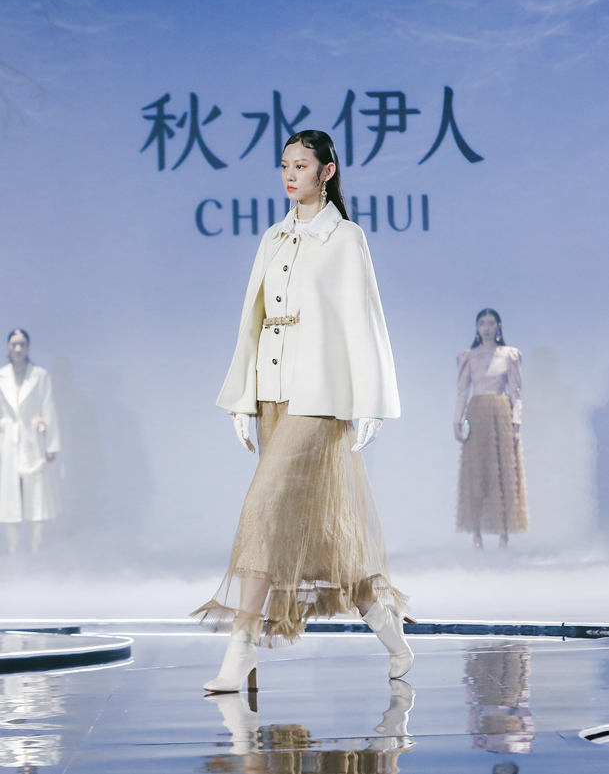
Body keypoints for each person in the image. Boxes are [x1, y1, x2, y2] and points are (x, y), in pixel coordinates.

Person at [192, 129, 414, 692]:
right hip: (273, 392)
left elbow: (363, 320)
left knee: (264, 509)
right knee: (321, 532)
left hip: (319, 399)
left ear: (327, 172)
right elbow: (253, 317)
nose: (291, 175)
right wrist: (242, 399)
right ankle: (392, 636)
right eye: (285, 165)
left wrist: (370, 403)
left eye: (302, 165)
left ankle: (241, 647)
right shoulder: (274, 237)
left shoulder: (345, 238)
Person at [454, 309, 528, 549]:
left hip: (501, 416)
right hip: (476, 415)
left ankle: (504, 535)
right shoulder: (468, 356)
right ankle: (477, 535)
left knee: (503, 474)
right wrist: (457, 421)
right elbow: (463, 391)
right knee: (477, 474)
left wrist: (516, 425)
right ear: (477, 327)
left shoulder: (509, 355)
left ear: (498, 326)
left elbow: (516, 392)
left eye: (491, 323)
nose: (486, 327)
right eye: (482, 323)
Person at [0, 330, 61, 553]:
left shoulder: (40, 376)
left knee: (37, 500)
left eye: (22, 344)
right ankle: (12, 552)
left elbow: (48, 408)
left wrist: (52, 445)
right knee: (9, 500)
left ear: (28, 347)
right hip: (7, 443)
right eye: (14, 344)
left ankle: (36, 552)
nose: (18, 349)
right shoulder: (1, 376)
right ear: (8, 346)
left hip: (33, 442)